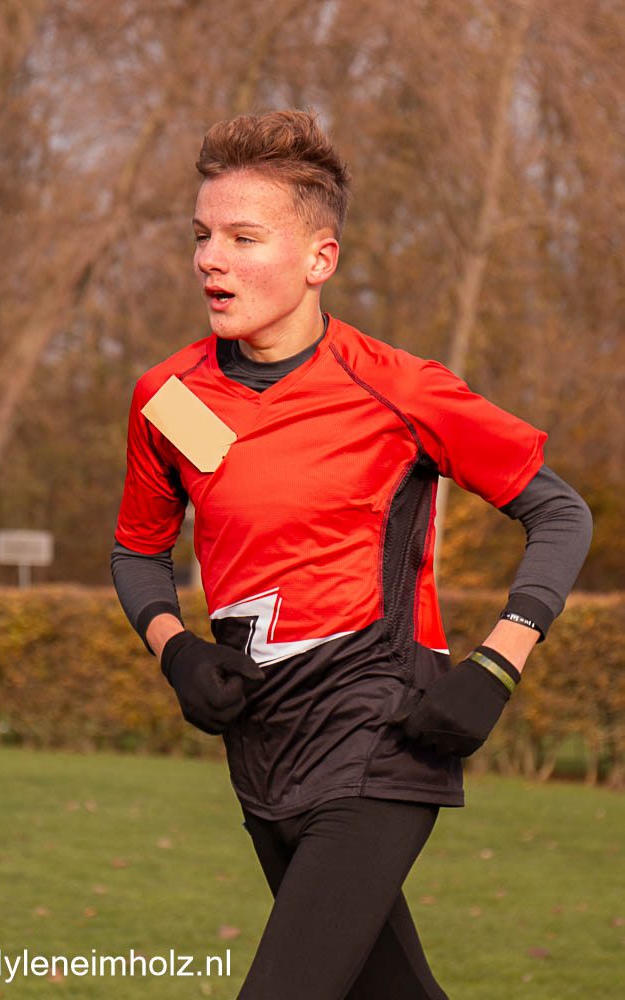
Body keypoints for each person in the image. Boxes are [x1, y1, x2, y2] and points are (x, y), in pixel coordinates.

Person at [110, 110, 593, 999]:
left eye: (243, 238)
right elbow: (137, 551)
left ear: (318, 258)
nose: (210, 259)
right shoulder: (170, 398)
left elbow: (559, 514)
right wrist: (175, 649)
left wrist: (496, 664)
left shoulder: (399, 388)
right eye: (201, 235)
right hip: (261, 743)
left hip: (382, 733)